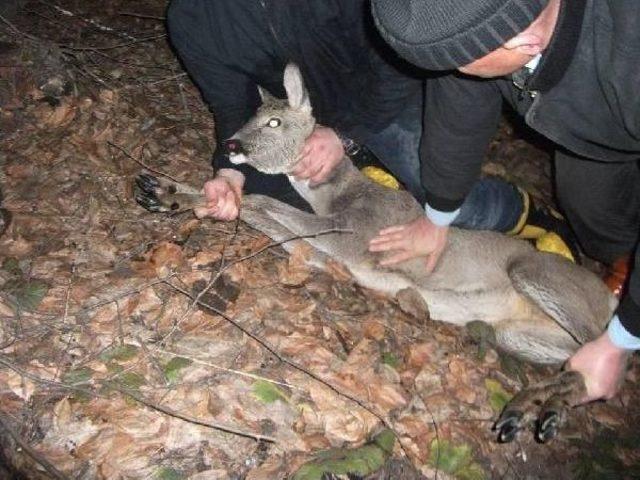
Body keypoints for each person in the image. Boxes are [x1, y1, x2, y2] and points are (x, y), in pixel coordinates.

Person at [371, 0, 640, 402]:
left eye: (459, 63)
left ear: (525, 41)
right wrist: (438, 215)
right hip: (594, 120)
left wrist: (623, 338)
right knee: (590, 205)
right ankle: (623, 257)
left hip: (617, 86)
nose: (450, 72)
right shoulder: (476, 22)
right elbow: (458, 111)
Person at [166, 0, 574, 249]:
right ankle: (372, 176)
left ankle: (534, 219)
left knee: (443, 194)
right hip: (298, 118)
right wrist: (230, 171)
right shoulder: (192, 19)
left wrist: (342, 134)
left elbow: (398, 64)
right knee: (293, 213)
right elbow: (232, 106)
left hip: (383, 95)